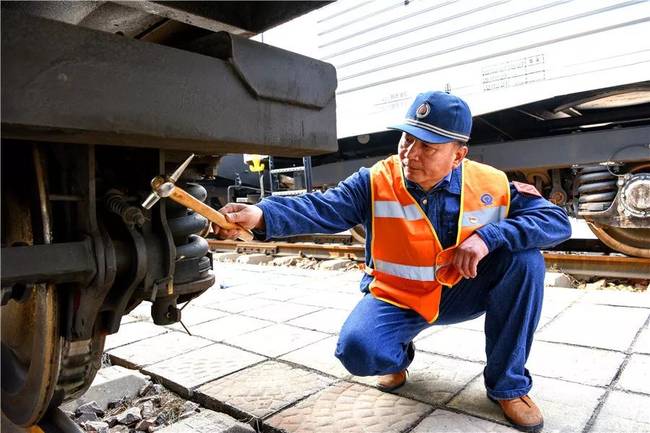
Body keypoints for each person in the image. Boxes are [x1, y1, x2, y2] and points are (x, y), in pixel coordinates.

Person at [213, 91, 571, 433]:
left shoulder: (491, 183)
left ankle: (507, 385)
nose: (410, 154)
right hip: (399, 297)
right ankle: (397, 356)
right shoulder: (374, 181)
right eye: (406, 139)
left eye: (427, 147)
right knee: (358, 352)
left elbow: (556, 222)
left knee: (525, 261)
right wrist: (259, 214)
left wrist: (488, 237)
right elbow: (321, 206)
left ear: (458, 156)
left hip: (464, 290)